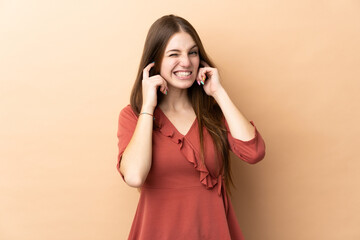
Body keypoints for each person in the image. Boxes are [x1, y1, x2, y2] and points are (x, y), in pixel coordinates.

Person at [116, 14, 266, 240]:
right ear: (154, 62)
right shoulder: (134, 116)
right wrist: (148, 105)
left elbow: (253, 152)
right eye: (174, 54)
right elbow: (135, 176)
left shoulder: (213, 113)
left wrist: (218, 92)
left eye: (192, 52)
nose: (186, 62)